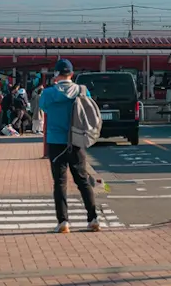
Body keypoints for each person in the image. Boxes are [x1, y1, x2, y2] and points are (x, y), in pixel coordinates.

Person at [40, 59, 101, 234]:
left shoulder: (49, 93)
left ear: (56, 75)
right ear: (72, 74)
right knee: (82, 180)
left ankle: (63, 221)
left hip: (56, 141)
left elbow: (43, 108)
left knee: (60, 183)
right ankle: (93, 218)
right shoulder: (82, 90)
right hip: (77, 140)